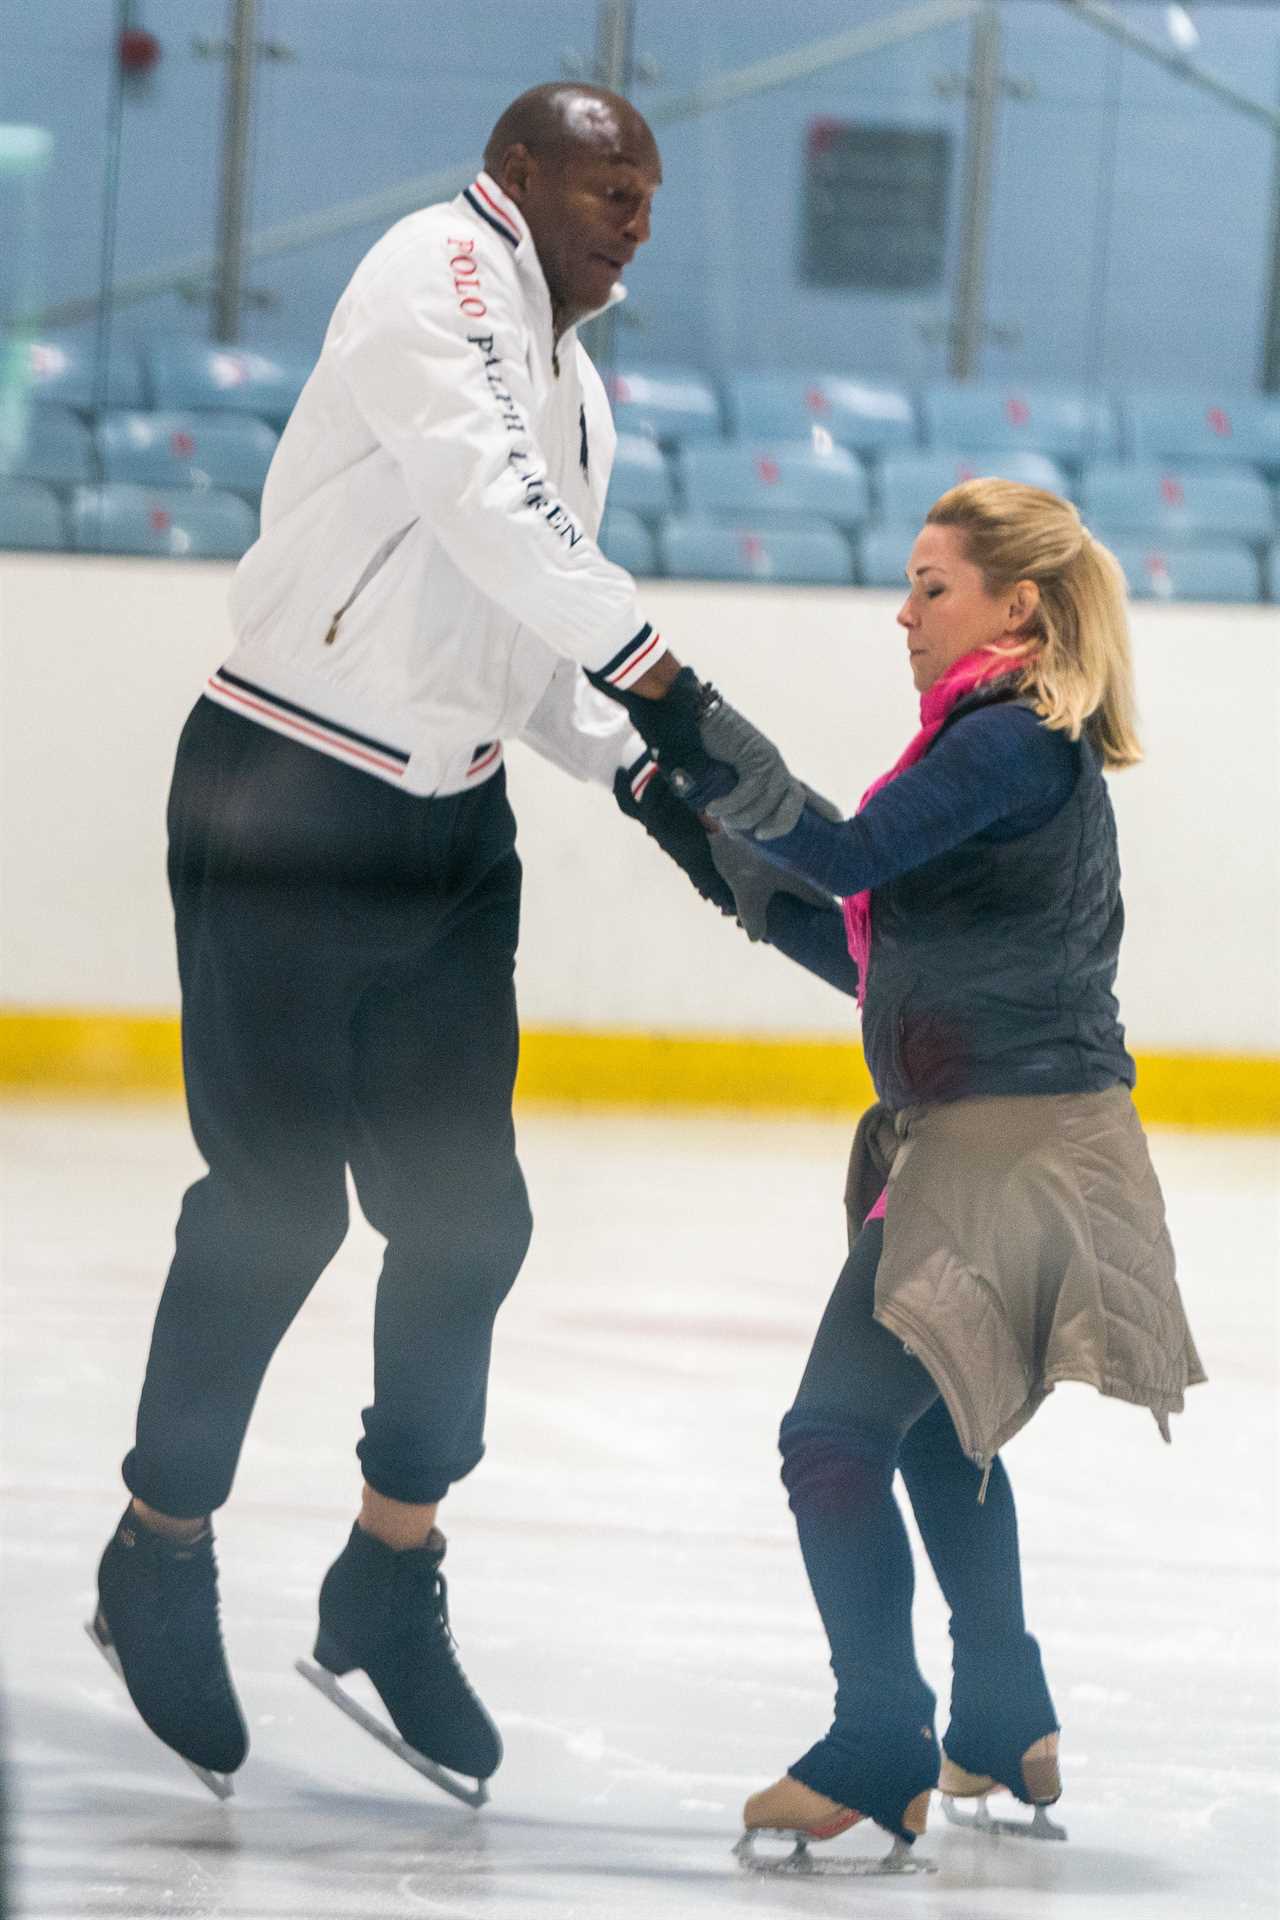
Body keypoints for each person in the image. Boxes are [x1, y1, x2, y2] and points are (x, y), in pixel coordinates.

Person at [88, 81, 822, 1799]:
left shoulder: (577, 385)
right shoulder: (434, 275)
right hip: (282, 796)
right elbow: (492, 508)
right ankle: (157, 1541)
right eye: (600, 178)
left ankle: (388, 1571)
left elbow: (514, 626)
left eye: (646, 188)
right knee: (272, 1209)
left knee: (469, 1223)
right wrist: (673, 689)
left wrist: (651, 778)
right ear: (512, 177)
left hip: (446, 830)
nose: (630, 211)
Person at [656, 480, 1205, 1869]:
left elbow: (842, 854)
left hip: (1004, 1154)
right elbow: (873, 954)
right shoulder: (1009, 750)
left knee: (834, 1436)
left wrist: (690, 721)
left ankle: (881, 1740)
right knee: (929, 1427)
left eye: (931, 586)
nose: (902, 613)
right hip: (1019, 1139)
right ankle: (1004, 1710)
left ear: (1014, 607)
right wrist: (708, 851)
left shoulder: (1011, 743)